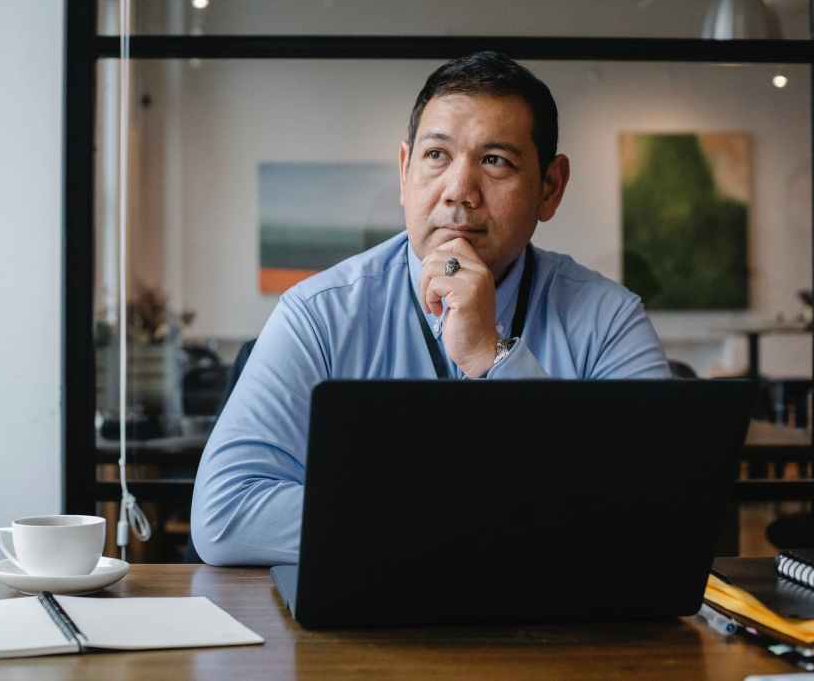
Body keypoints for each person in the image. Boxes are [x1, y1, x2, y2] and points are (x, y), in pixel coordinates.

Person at [191, 51, 670, 566]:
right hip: (363, 634)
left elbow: (659, 516)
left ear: (549, 188)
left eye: (495, 161)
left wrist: (493, 357)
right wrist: (467, 517)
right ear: (405, 170)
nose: (459, 191)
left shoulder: (608, 320)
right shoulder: (319, 314)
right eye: (437, 156)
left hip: (553, 637)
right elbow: (225, 513)